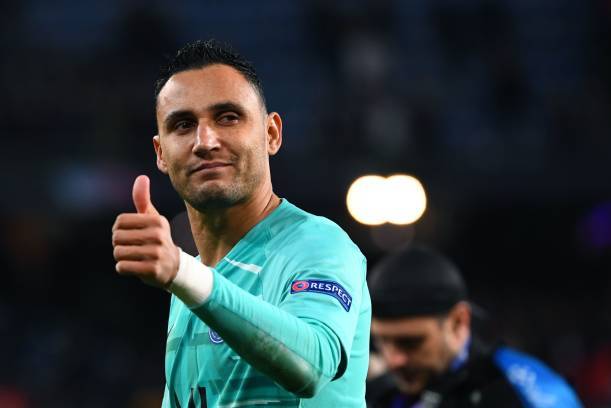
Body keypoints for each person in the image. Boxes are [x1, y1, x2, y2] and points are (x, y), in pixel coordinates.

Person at [111, 40, 371, 407]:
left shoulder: (318, 245)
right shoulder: (191, 286)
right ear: (161, 154)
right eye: (183, 125)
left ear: (271, 134)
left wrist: (182, 272)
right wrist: (186, 275)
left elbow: (313, 365)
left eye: (228, 117)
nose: (205, 141)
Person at [366, 245, 583, 408]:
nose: (394, 360)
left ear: (458, 322)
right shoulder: (378, 392)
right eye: (382, 341)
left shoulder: (519, 389)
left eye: (411, 343)